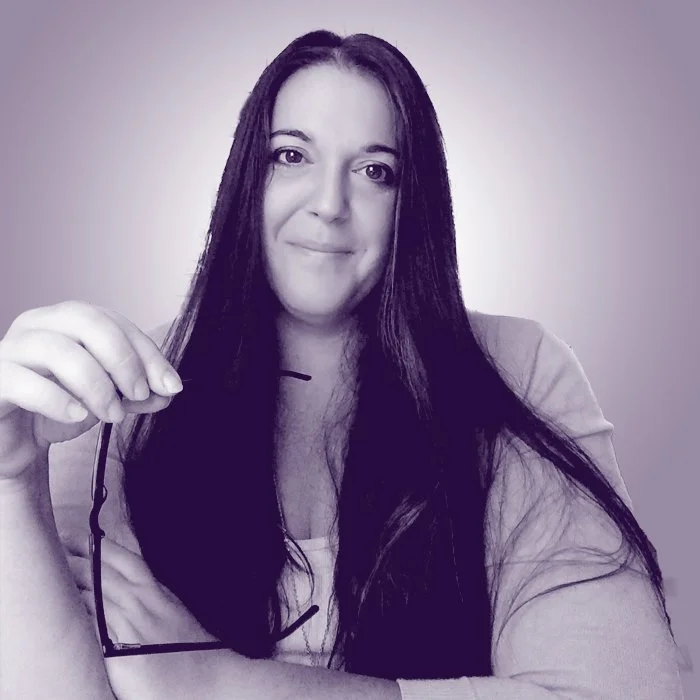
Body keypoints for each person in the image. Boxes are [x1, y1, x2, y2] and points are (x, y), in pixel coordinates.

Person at [0, 29, 685, 700]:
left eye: (375, 171)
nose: (329, 205)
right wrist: (11, 478)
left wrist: (219, 681)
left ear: (413, 206)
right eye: (291, 155)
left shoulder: (518, 372)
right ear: (246, 181)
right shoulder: (115, 389)